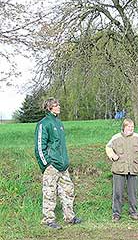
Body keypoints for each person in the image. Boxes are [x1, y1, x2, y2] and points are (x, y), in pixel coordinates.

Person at [34, 98, 81, 229]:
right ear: (49, 108)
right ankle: (48, 219)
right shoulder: (44, 124)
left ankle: (69, 217)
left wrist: (65, 161)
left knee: (68, 191)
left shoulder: (59, 123)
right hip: (51, 165)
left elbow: (60, 145)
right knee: (49, 192)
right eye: (56, 105)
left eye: (58, 104)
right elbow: (39, 147)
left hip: (63, 165)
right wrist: (47, 164)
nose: (59, 107)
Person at [105, 118, 138, 222]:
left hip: (133, 168)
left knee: (133, 193)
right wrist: (112, 155)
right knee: (117, 193)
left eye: (132, 127)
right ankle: (116, 214)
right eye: (129, 126)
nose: (131, 128)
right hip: (119, 169)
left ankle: (134, 213)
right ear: (124, 127)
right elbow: (108, 147)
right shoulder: (115, 138)